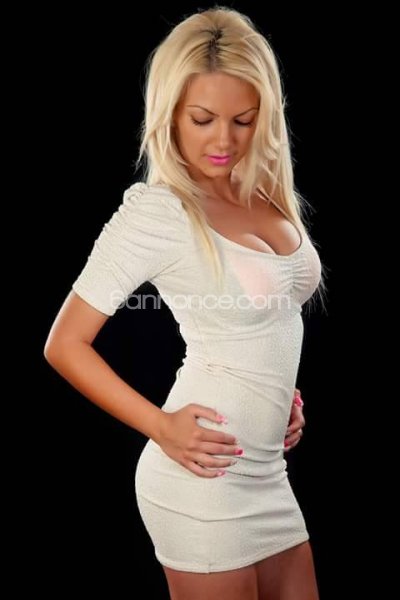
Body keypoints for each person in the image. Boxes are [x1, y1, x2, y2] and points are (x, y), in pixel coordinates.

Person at [44, 7, 322, 599]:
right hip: (203, 480)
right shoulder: (159, 211)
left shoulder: (264, 190)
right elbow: (64, 344)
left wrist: (279, 400)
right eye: (202, 119)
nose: (223, 140)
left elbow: (265, 323)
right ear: (169, 113)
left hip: (269, 473)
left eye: (243, 120)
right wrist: (162, 427)